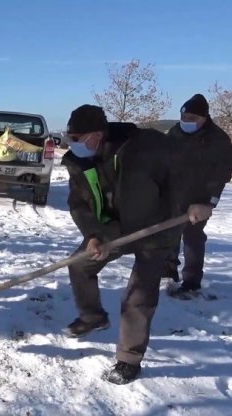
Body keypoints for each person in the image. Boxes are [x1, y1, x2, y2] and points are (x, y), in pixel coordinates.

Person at [60, 104, 209, 384]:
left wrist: (202, 200)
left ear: (97, 134)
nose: (73, 144)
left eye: (77, 138)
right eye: (71, 138)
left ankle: (128, 360)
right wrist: (94, 235)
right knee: (80, 263)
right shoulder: (80, 162)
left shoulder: (146, 145)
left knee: (138, 296)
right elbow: (78, 204)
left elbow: (190, 167)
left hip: (159, 226)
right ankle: (92, 316)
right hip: (118, 227)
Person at [164, 94, 232, 298]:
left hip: (199, 199)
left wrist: (209, 202)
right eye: (184, 117)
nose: (186, 122)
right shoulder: (175, 132)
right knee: (170, 232)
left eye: (192, 119)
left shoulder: (218, 139)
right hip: (173, 193)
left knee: (193, 237)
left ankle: (191, 281)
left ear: (204, 118)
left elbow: (222, 173)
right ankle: (168, 271)